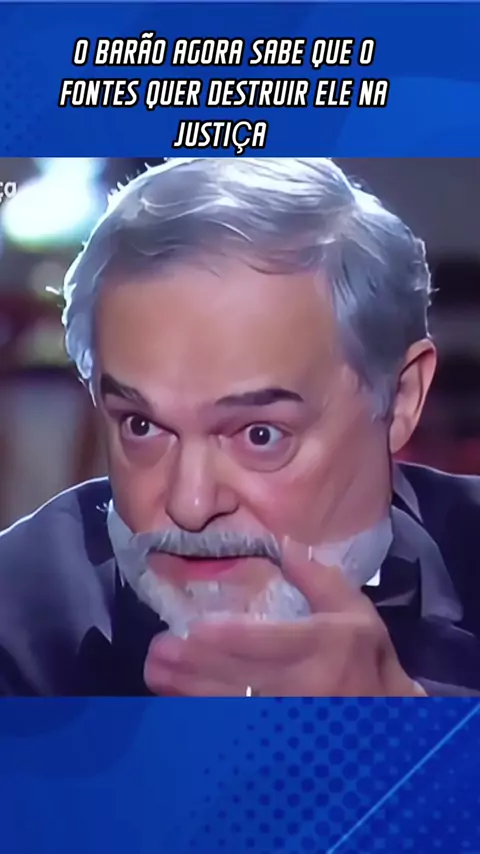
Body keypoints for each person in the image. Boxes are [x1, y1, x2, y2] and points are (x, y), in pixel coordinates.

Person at [1, 157, 479, 698]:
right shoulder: (18, 608)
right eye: (141, 426)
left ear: (401, 398)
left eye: (260, 434)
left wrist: (392, 730)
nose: (191, 504)